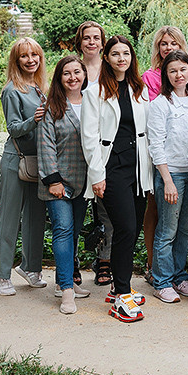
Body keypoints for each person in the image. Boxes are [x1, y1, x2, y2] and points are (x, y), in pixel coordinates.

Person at [82, 35, 153, 323]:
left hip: (137, 169)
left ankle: (118, 285)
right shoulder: (95, 92)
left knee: (132, 227)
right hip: (111, 169)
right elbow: (89, 137)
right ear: (107, 58)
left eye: (126, 53)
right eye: (115, 54)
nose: (121, 58)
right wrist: (97, 175)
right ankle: (121, 295)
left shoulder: (140, 89)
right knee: (124, 227)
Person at [0, 38, 48, 296]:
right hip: (16, 161)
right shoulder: (11, 90)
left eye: (34, 55)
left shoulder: (39, 88)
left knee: (36, 218)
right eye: (24, 56)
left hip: (38, 161)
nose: (30, 60)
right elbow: (13, 128)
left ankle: (31, 268)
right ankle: (2, 275)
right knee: (9, 219)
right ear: (16, 60)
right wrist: (34, 119)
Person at [146, 50, 188, 304]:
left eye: (183, 69)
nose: (179, 75)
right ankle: (162, 281)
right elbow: (156, 144)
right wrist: (166, 180)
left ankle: (180, 277)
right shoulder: (160, 104)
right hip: (172, 175)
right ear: (166, 75)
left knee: (183, 229)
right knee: (167, 230)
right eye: (173, 71)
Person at [38, 56, 91, 314]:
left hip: (84, 182)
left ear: (84, 74)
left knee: (74, 233)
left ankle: (64, 279)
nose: (72, 77)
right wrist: (53, 180)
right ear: (59, 78)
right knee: (62, 230)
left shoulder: (93, 103)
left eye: (77, 72)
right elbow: (46, 146)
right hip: (57, 182)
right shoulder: (52, 107)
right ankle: (67, 291)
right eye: (66, 73)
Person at [76, 20, 111, 287]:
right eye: (86, 38)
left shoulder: (110, 68)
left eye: (96, 38)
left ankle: (104, 261)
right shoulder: (73, 69)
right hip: (76, 147)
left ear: (102, 42)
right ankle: (73, 263)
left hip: (105, 148)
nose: (91, 42)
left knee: (105, 212)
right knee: (76, 209)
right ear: (80, 42)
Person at [142, 26, 188, 101]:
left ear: (180, 46)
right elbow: (151, 107)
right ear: (158, 47)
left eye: (174, 44)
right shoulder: (149, 76)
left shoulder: (187, 72)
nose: (169, 47)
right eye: (164, 44)